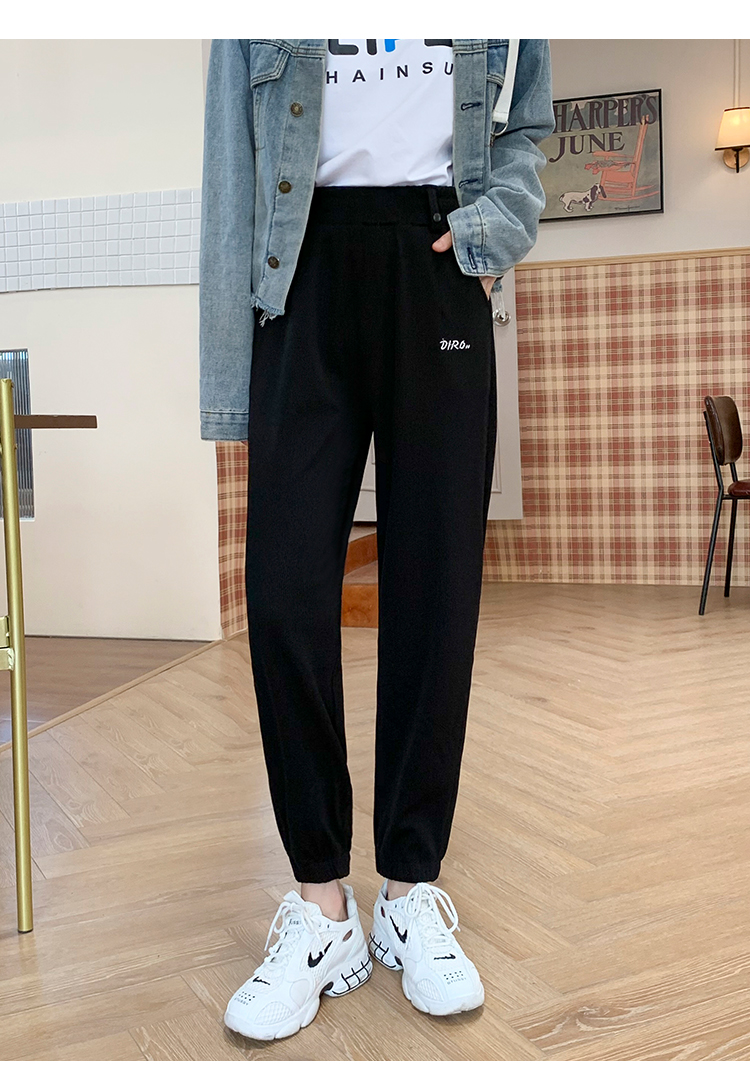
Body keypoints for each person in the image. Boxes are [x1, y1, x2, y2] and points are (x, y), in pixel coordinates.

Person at [199, 37, 554, 1042]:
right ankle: (321, 908)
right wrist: (228, 375)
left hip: (437, 259)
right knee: (283, 596)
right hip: (297, 271)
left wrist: (491, 228)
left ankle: (408, 889)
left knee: (437, 592)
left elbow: (527, 122)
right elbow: (232, 165)